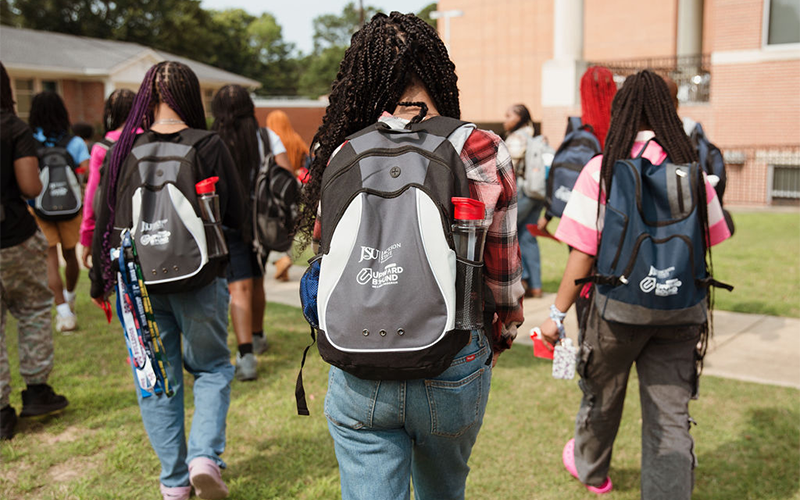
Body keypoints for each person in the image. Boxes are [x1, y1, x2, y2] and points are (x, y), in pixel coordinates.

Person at [296, 12, 524, 499]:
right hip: (454, 355)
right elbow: (502, 277)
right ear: (439, 70)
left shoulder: (344, 153)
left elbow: (328, 252)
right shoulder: (482, 148)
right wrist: (500, 335)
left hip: (359, 361)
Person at [538, 70, 731, 498]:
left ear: (620, 110)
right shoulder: (694, 171)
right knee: (670, 416)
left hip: (616, 312)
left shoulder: (601, 170)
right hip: (681, 311)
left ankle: (592, 472)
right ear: (671, 110)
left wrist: (556, 315)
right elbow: (715, 235)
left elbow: (582, 252)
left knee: (602, 397)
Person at [90, 61, 245, 500]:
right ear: (190, 96)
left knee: (156, 379)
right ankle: (203, 457)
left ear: (146, 97)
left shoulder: (124, 151)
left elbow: (105, 220)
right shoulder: (208, 143)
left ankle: (175, 484)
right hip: (199, 278)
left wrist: (99, 281)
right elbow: (234, 214)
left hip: (137, 285)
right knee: (212, 368)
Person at [0, 62, 69, 441]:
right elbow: (30, 186)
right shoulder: (14, 129)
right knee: (33, 310)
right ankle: (38, 392)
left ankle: (1, 413)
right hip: (13, 235)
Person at [210, 85, 291, 381]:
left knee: (238, 288)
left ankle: (246, 355)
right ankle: (257, 336)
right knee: (257, 280)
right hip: (261, 223)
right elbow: (287, 176)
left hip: (227, 222)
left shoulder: (213, 140)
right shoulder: (267, 136)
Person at [27, 91, 90, 333]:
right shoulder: (73, 142)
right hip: (71, 208)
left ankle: (64, 314)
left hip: (40, 208)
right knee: (70, 255)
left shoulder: (30, 141)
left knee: (50, 258)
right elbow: (84, 171)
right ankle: (70, 295)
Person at [79, 89, 137, 270]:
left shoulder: (102, 148)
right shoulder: (151, 140)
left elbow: (92, 195)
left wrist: (87, 237)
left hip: (115, 225)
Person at [504, 104, 543, 298]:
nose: (505, 120)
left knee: (511, 233)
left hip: (523, 191)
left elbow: (509, 167)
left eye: (509, 115)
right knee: (528, 237)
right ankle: (536, 286)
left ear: (520, 117)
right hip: (538, 193)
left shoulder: (517, 138)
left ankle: (524, 280)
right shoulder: (534, 137)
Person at [266, 110, 309, 282]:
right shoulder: (296, 139)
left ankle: (280, 258)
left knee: (273, 225)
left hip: (275, 190)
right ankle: (283, 265)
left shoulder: (270, 141)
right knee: (289, 224)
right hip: (294, 188)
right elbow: (308, 160)